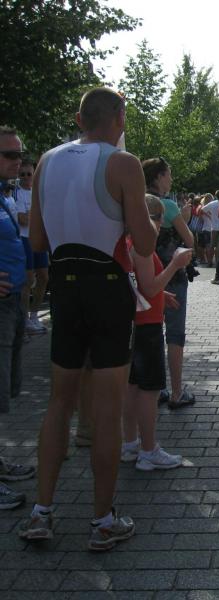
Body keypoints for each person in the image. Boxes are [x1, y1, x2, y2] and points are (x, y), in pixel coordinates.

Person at [19, 88, 158, 549]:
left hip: (65, 287)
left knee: (59, 402)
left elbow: (37, 239)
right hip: (106, 288)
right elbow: (144, 244)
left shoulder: (46, 161)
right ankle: (102, 520)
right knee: (106, 408)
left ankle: (41, 512)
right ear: (119, 118)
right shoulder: (123, 163)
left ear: (79, 119)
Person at [122, 195, 192, 471]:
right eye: (159, 218)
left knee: (132, 387)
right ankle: (149, 450)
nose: (161, 224)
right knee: (149, 390)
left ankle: (130, 444)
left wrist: (161, 295)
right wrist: (175, 264)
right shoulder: (142, 247)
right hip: (147, 325)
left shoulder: (128, 243)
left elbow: (138, 284)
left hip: (135, 321)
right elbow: (149, 287)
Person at [142, 157, 196, 410]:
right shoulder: (169, 206)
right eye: (168, 174)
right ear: (158, 177)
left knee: (149, 332)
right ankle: (176, 392)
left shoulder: (137, 203)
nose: (171, 179)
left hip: (145, 274)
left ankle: (153, 389)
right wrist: (184, 217)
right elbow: (189, 240)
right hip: (172, 276)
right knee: (174, 334)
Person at [0, 126, 35, 510]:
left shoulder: (4, 195)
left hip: (11, 302)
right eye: (10, 155)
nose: (18, 161)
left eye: (19, 154)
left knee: (5, 388)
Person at [14, 159, 49, 334]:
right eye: (23, 174)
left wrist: (31, 215)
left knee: (43, 277)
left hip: (38, 237)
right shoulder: (17, 193)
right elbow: (22, 219)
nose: (26, 177)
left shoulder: (39, 192)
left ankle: (34, 316)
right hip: (23, 239)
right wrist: (35, 216)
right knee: (28, 280)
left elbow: (45, 215)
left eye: (29, 174)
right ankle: (25, 319)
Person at [202, 190, 219, 267]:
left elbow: (202, 210)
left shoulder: (212, 203)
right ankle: (217, 262)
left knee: (211, 246)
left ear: (216, 196)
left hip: (213, 227)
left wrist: (210, 215)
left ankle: (209, 262)